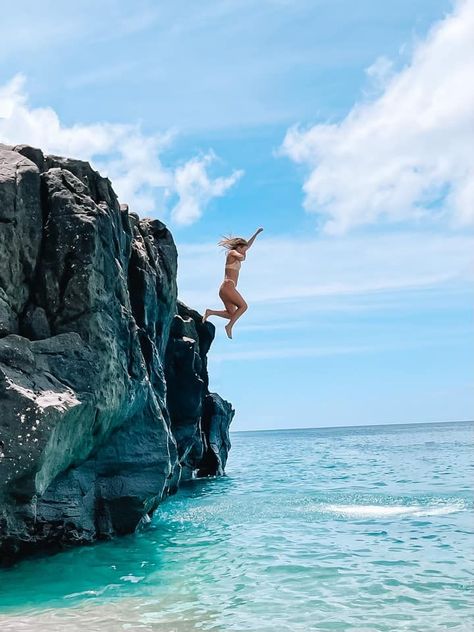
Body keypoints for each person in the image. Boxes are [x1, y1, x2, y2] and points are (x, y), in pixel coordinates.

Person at [202, 228, 263, 339]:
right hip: (228, 287)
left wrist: (256, 233)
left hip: (225, 289)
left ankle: (210, 312)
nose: (245, 251)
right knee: (244, 306)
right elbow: (241, 256)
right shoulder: (232, 252)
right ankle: (229, 326)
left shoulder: (239, 250)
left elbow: (247, 246)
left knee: (232, 314)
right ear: (239, 247)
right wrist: (243, 255)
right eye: (243, 249)